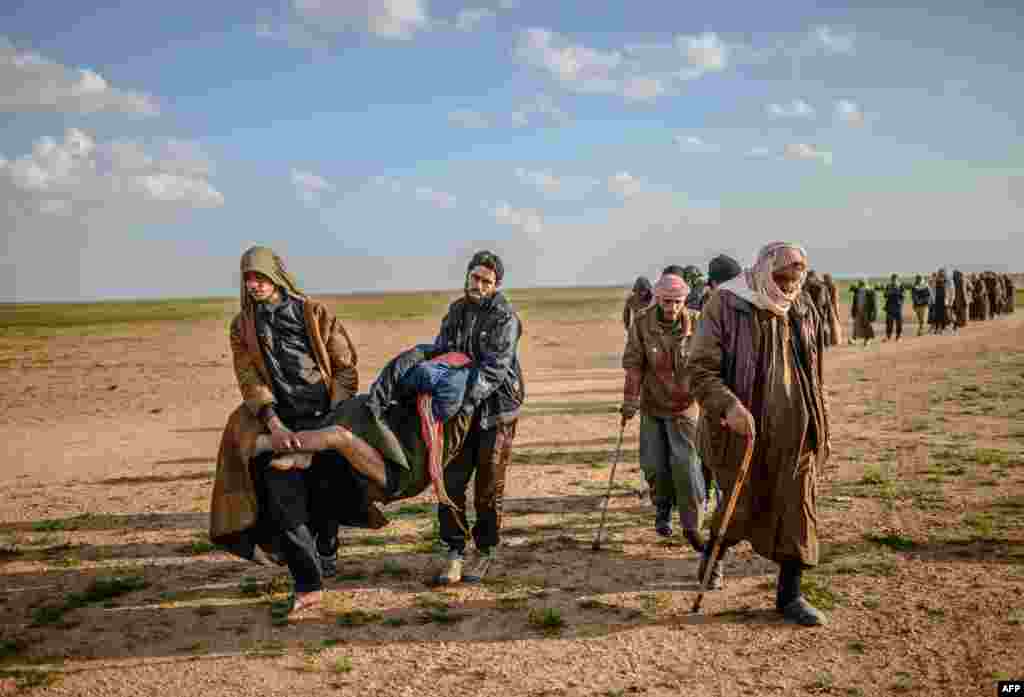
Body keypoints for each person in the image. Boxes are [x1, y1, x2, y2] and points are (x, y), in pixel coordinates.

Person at [687, 242, 831, 626]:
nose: (788, 286)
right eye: (781, 278)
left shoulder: (802, 305)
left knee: (798, 505)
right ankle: (714, 556)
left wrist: (820, 420)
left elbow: (814, 370)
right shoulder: (727, 303)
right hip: (740, 429)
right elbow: (699, 368)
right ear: (764, 270)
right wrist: (728, 406)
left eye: (794, 278)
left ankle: (790, 595)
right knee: (740, 501)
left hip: (796, 429)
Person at [214, 245, 360, 619]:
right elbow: (249, 380)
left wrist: (331, 419)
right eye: (248, 279)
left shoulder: (313, 314)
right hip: (280, 425)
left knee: (325, 498)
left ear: (276, 276)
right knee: (284, 501)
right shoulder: (242, 326)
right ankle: (308, 587)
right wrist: (273, 423)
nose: (254, 285)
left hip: (324, 420)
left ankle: (327, 547)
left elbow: (345, 368)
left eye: (260, 277)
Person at [432, 251, 525, 585]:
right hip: (459, 409)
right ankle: (455, 550)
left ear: (496, 284)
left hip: (496, 412)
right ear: (468, 276)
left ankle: (485, 550)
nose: (479, 285)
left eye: (486, 281)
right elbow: (442, 351)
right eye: (475, 278)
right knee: (451, 480)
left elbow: (495, 369)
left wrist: (465, 399)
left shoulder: (505, 317)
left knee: (487, 485)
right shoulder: (456, 311)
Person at [621, 271, 712, 551]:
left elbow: (709, 363)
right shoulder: (642, 323)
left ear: (685, 300)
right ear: (657, 299)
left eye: (677, 302)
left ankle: (692, 527)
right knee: (654, 465)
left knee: (686, 465)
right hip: (652, 404)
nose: (672, 308)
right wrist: (629, 400)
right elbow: (634, 364)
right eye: (666, 302)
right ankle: (662, 508)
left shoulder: (698, 323)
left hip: (685, 407)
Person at [850, 279, 877, 347]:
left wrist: (874, 314)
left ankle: (867, 340)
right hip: (858, 311)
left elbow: (874, 304)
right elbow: (854, 303)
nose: (861, 286)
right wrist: (853, 312)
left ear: (865, 285)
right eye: (860, 284)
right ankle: (854, 339)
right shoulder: (857, 292)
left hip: (867, 312)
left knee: (867, 326)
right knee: (856, 325)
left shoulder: (870, 292)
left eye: (862, 284)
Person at [882, 274, 908, 341]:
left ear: (897, 279)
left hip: (898, 307)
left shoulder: (901, 286)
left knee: (899, 322)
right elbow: (885, 295)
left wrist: (897, 292)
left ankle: (898, 336)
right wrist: (890, 292)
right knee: (889, 323)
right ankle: (888, 336)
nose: (894, 280)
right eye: (892, 279)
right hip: (889, 307)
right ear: (891, 279)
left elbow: (904, 295)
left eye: (895, 279)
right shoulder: (888, 286)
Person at [821, 273, 843, 346]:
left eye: (825, 278)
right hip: (828, 306)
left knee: (833, 323)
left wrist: (834, 309)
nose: (824, 279)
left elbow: (835, 298)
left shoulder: (832, 286)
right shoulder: (825, 285)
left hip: (831, 306)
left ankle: (834, 340)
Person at [932, 268, 952, 334]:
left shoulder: (946, 280)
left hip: (943, 299)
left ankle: (943, 328)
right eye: (941, 272)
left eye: (942, 272)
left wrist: (948, 299)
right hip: (938, 299)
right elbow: (933, 288)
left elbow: (948, 290)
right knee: (938, 314)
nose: (941, 273)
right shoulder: (936, 279)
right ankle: (937, 328)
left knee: (944, 314)